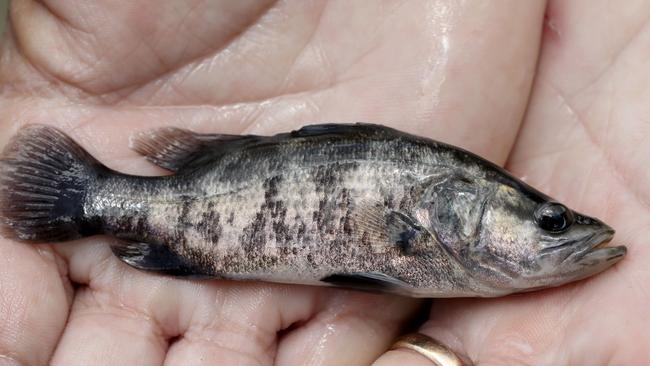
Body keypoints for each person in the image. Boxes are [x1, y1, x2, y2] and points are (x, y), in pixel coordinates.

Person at [0, 1, 647, 365]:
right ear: (459, 208)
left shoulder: (446, 239)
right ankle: (87, 196)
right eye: (550, 221)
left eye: (553, 222)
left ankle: (93, 198)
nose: (562, 231)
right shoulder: (432, 221)